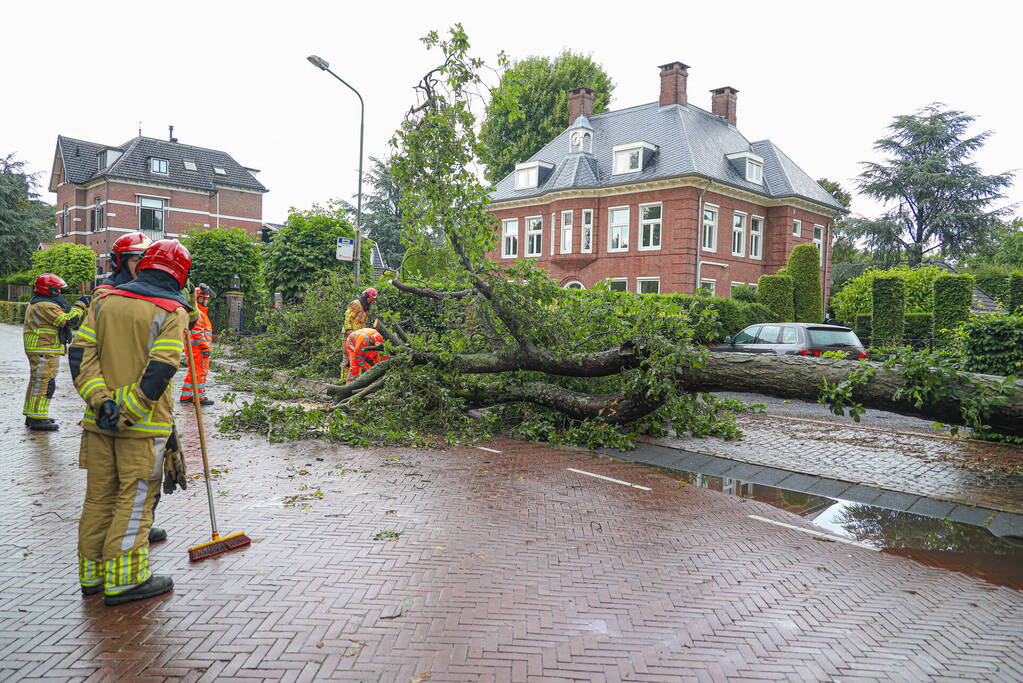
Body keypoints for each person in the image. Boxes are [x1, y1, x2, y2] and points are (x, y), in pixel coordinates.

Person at [69, 239, 192, 605]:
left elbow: (80, 354)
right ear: (180, 275)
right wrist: (129, 411)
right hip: (143, 427)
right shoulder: (171, 311)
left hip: (97, 422)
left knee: (99, 498)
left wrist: (102, 402)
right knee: (134, 500)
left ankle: (92, 576)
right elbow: (161, 368)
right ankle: (126, 580)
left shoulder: (104, 301)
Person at [22, 274, 89, 431]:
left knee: (37, 382)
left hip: (42, 347)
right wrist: (79, 306)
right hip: (44, 348)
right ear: (50, 290)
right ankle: (38, 418)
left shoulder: (39, 302)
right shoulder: (46, 305)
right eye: (57, 289)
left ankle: (32, 415)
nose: (59, 292)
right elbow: (67, 320)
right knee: (45, 383)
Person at [180, 283, 215, 406]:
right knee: (201, 372)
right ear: (199, 299)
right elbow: (197, 332)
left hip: (194, 349)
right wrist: (205, 347)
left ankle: (186, 395)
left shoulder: (197, 312)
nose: (206, 301)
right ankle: (199, 397)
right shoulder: (199, 313)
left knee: (193, 372)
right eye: (205, 299)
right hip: (199, 349)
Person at [340, 288, 378, 373]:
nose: (371, 301)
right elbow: (347, 318)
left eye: (373, 299)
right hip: (349, 335)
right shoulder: (356, 303)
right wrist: (349, 331)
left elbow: (363, 323)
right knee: (347, 358)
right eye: (371, 298)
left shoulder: (365, 308)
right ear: (366, 296)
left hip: (359, 337)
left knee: (358, 358)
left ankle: (356, 381)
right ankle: (343, 382)